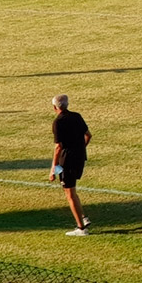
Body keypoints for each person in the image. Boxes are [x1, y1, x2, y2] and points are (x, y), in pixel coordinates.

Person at [50, 95, 91, 236]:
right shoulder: (77, 116)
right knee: (72, 190)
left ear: (55, 107)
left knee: (69, 193)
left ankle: (81, 228)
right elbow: (88, 135)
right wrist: (80, 149)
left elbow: (58, 148)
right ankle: (83, 218)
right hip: (80, 158)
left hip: (66, 161)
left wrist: (53, 169)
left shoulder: (58, 122)